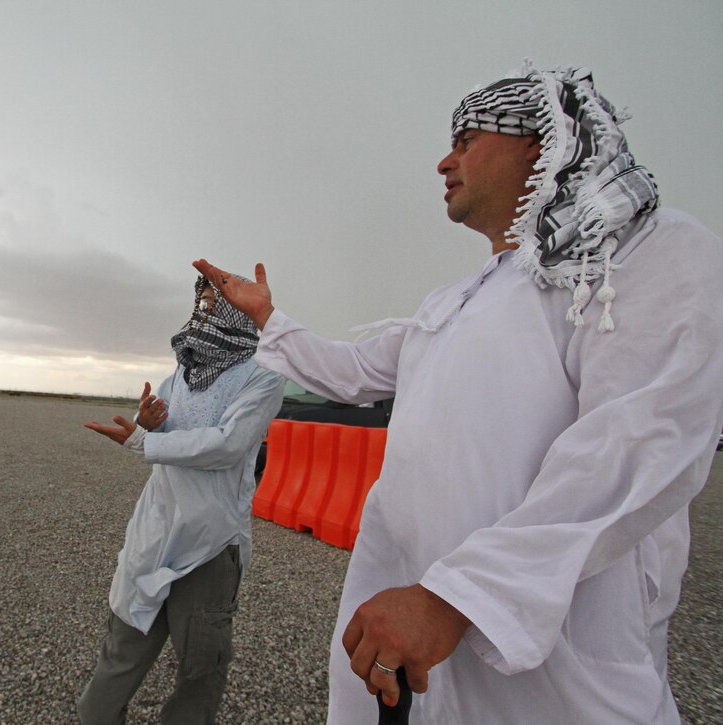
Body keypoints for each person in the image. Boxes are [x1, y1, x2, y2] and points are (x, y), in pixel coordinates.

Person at [195, 61, 723, 724]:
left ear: (541, 140)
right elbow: (348, 372)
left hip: (549, 652)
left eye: (467, 140)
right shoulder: (455, 300)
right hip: (419, 627)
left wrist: (460, 597)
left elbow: (637, 443)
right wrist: (267, 317)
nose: (445, 162)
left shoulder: (640, 252)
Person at [77, 275, 286, 724]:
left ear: (239, 314)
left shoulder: (264, 379)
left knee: (201, 666)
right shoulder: (181, 376)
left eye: (214, 307)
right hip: (155, 532)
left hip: (211, 543)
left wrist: (144, 442)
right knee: (123, 647)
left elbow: (228, 445)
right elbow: (162, 430)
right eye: (201, 306)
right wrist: (147, 423)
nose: (202, 316)